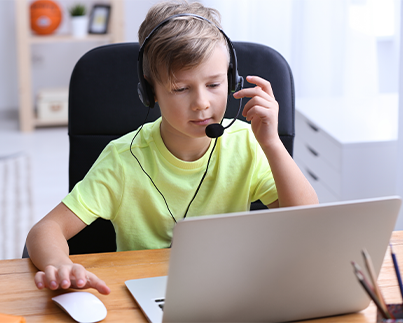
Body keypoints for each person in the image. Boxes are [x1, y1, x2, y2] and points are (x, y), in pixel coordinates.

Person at [26, 0, 318, 295]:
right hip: (147, 291)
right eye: (181, 88)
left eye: (215, 85)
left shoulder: (247, 143)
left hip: (229, 289)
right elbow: (45, 231)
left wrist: (272, 143)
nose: (202, 102)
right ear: (149, 92)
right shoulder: (123, 159)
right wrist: (59, 263)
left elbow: (308, 224)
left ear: (231, 80)